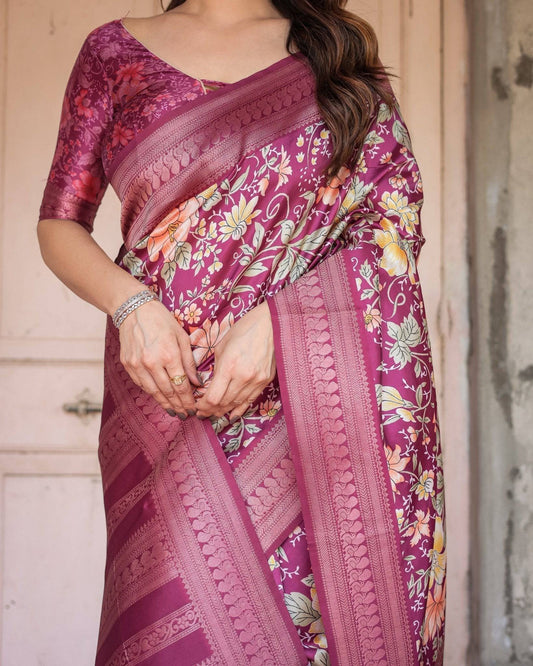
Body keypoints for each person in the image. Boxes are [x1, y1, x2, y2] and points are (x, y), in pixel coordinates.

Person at [37, 1, 446, 664]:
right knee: (172, 624)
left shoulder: (334, 51)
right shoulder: (114, 52)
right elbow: (59, 223)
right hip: (166, 389)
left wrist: (282, 325)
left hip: (311, 410)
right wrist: (130, 308)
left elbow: (392, 224)